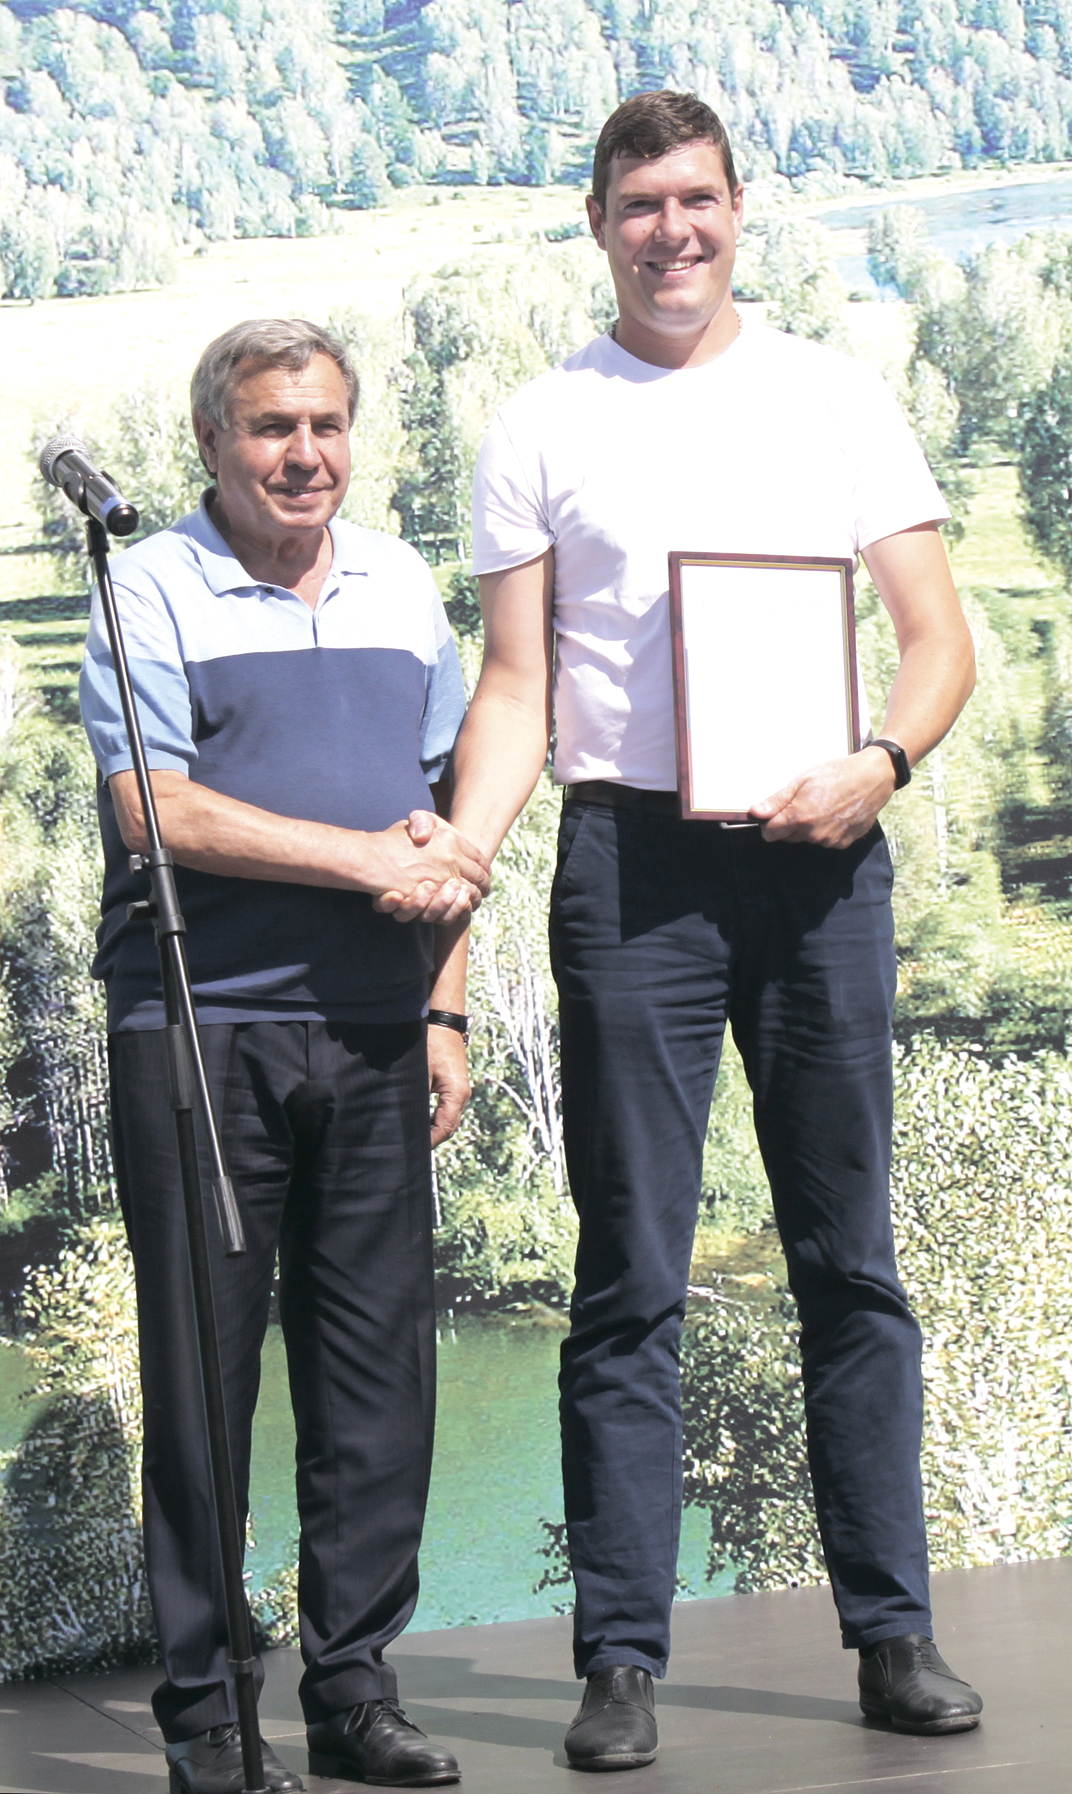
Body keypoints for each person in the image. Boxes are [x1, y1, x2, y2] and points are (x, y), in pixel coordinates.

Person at [450, 92, 983, 1772]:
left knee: (849, 1263)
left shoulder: (831, 396)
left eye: (693, 200)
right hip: (631, 873)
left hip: (822, 859)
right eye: (635, 205)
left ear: (737, 209)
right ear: (596, 224)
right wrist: (456, 859)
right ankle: (619, 1658)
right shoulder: (537, 424)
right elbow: (521, 688)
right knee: (629, 1281)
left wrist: (879, 764)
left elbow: (934, 639)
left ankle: (892, 1633)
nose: (668, 230)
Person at [79, 318, 488, 1794]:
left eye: (323, 423)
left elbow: (441, 820)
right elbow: (157, 813)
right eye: (269, 427)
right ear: (212, 442)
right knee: (203, 1388)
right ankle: (205, 1712)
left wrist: (444, 1005)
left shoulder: (401, 584)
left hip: (379, 1033)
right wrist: (361, 860)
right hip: (201, 1034)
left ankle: (355, 1686)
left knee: (376, 1381)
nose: (301, 453)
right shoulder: (145, 587)